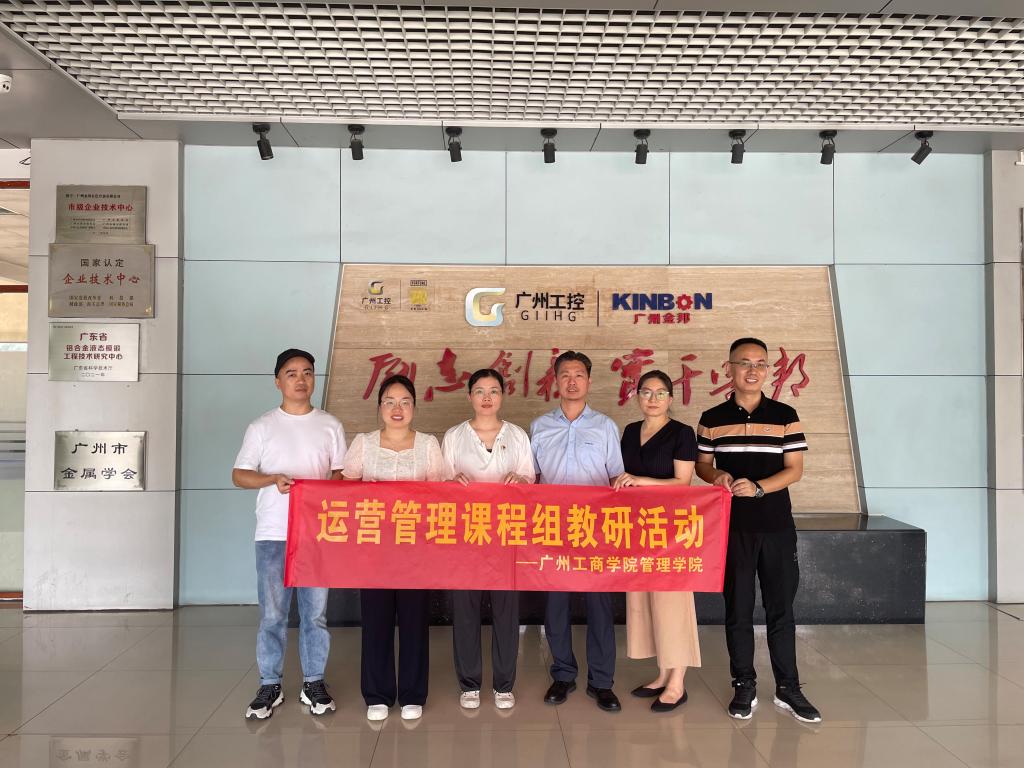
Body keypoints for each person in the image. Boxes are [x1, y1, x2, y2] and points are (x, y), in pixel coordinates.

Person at [695, 337, 822, 724]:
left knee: (781, 608)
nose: (753, 370)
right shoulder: (712, 418)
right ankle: (744, 684)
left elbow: (795, 470)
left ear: (767, 370)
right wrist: (717, 475)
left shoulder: (785, 415)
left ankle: (788, 687)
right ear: (729, 368)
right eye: (745, 363)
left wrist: (760, 488)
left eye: (760, 364)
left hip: (776, 527)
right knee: (737, 609)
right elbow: (702, 465)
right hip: (732, 529)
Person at [232, 348, 347, 720]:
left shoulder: (330, 425)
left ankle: (314, 682)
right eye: (292, 373)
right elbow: (239, 475)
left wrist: (324, 491)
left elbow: (340, 475)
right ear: (278, 381)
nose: (301, 379)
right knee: (273, 615)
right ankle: (270, 684)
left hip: (317, 535)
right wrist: (271, 479)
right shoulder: (262, 426)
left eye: (308, 372)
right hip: (273, 533)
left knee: (315, 615)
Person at [342, 374, 447, 722]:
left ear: (414, 407)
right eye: (389, 401)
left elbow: (440, 496)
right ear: (380, 407)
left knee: (415, 622)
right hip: (374, 549)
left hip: (416, 550)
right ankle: (377, 693)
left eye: (404, 402)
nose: (397, 408)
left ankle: (413, 694)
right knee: (376, 621)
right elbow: (344, 492)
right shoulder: (364, 443)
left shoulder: (429, 444)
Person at [530, 350, 625, 712]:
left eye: (578, 375)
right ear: (555, 381)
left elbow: (616, 479)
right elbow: (532, 479)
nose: (572, 381)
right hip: (553, 528)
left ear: (588, 380)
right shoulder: (540, 426)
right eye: (565, 375)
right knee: (556, 606)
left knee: (600, 607)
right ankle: (563, 674)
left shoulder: (605, 426)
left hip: (595, 529)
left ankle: (601, 682)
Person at [442, 368, 535, 712]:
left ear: (502, 396)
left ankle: (503, 684)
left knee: (506, 612)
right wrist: (451, 484)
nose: (486, 397)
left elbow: (531, 482)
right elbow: (439, 486)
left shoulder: (517, 435)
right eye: (479, 391)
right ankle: (469, 683)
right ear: (469, 396)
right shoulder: (454, 436)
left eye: (493, 391)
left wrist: (521, 481)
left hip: (506, 535)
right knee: (465, 611)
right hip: (465, 536)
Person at [613, 370, 701, 712]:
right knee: (646, 602)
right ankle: (663, 673)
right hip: (637, 528)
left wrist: (640, 481)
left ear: (671, 398)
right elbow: (621, 476)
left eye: (660, 393)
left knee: (672, 603)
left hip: (671, 531)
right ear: (637, 396)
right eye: (646, 392)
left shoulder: (682, 433)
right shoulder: (630, 431)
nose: (653, 399)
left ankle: (678, 682)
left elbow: (682, 483)